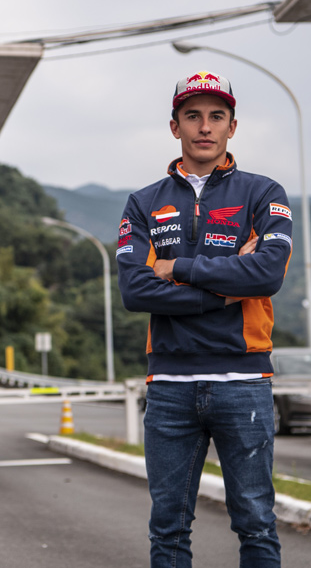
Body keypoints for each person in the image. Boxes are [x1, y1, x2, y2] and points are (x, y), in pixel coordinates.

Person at [116, 70, 293, 568]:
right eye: (192, 116)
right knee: (168, 528)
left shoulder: (263, 194)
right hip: (170, 383)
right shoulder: (144, 202)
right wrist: (225, 292)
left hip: (244, 380)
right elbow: (135, 289)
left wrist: (180, 269)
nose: (205, 127)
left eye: (217, 116)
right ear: (175, 126)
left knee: (256, 522)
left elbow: (266, 272)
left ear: (233, 126)